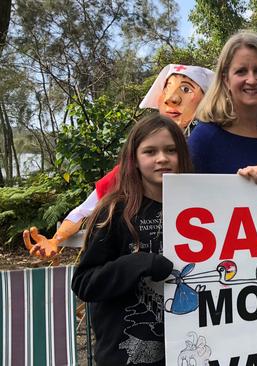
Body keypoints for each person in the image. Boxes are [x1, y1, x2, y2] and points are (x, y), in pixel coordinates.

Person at [23, 64, 214, 259]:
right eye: (168, 87)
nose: (171, 98)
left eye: (186, 89)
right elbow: (85, 210)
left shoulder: (210, 153)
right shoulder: (130, 168)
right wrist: (55, 240)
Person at [71, 113, 192, 365]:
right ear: (134, 159)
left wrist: (252, 182)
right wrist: (137, 263)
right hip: (125, 353)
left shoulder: (202, 206)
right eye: (150, 152)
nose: (162, 159)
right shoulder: (114, 211)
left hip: (188, 350)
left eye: (171, 150)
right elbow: (84, 283)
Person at [188, 31, 257, 185]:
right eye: (241, 71)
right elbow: (183, 198)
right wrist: (238, 188)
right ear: (226, 80)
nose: (251, 80)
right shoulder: (204, 138)